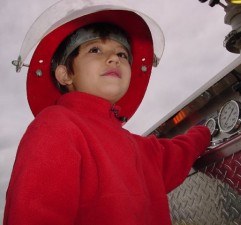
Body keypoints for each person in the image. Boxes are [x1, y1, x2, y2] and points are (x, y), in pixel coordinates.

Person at [4, 0, 211, 224]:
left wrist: (204, 131)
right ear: (65, 75)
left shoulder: (141, 148)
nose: (114, 58)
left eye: (122, 55)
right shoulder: (56, 124)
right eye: (95, 50)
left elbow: (180, 151)